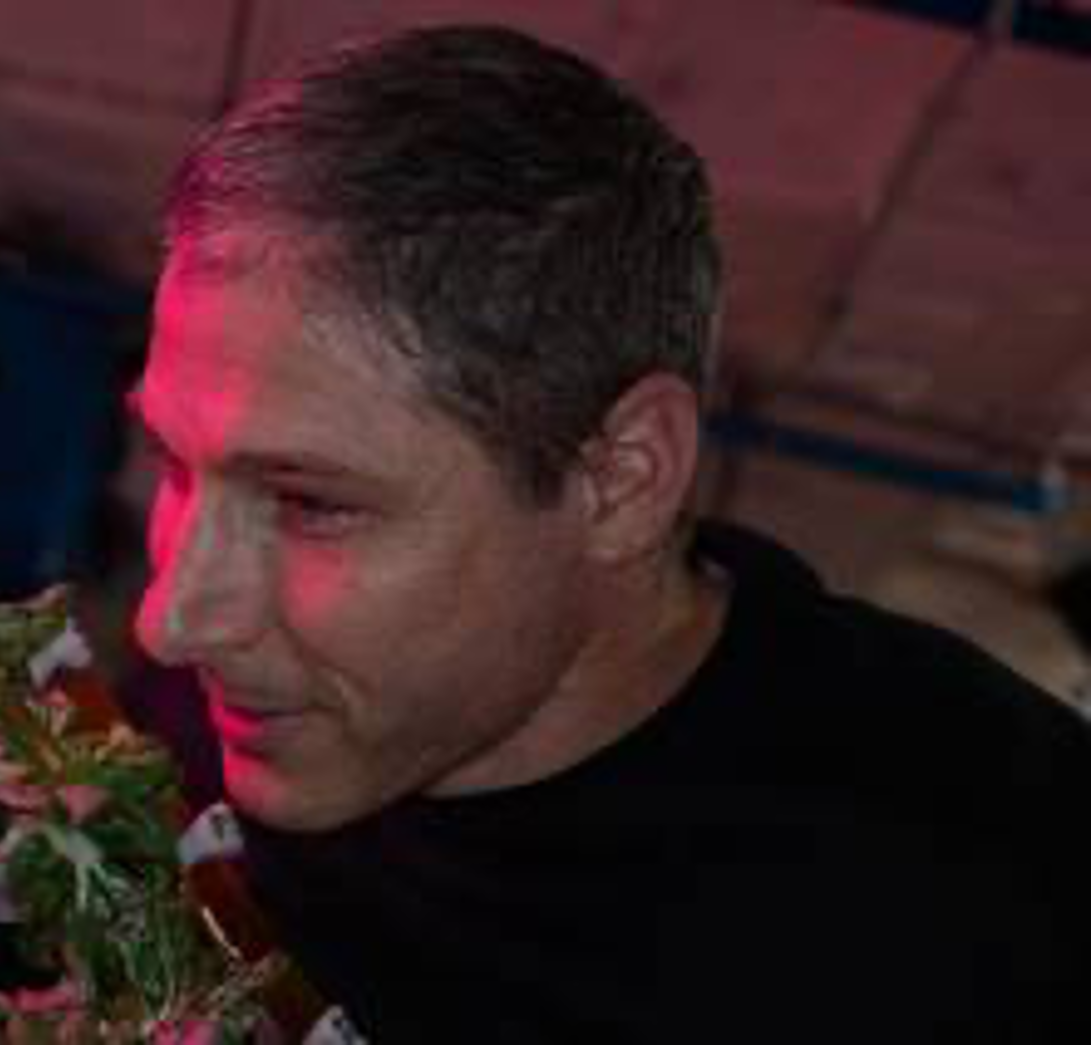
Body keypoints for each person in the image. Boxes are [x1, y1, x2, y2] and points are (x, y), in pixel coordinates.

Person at [124, 25, 1089, 1046]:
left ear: (622, 479)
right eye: (178, 469)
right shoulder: (206, 724)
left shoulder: (1014, 893)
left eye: (312, 504)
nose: (174, 620)